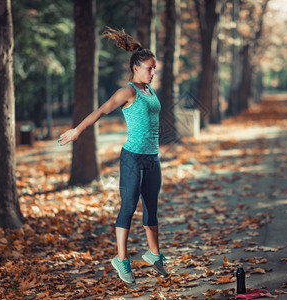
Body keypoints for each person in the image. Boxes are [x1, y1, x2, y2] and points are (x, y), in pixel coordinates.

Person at [58, 27, 168, 284]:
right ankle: (122, 259)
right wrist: (77, 130)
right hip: (132, 158)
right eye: (150, 68)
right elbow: (100, 111)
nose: (153, 73)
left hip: (152, 158)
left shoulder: (150, 92)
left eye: (155, 69)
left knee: (152, 208)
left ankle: (154, 255)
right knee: (128, 207)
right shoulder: (126, 92)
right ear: (136, 68)